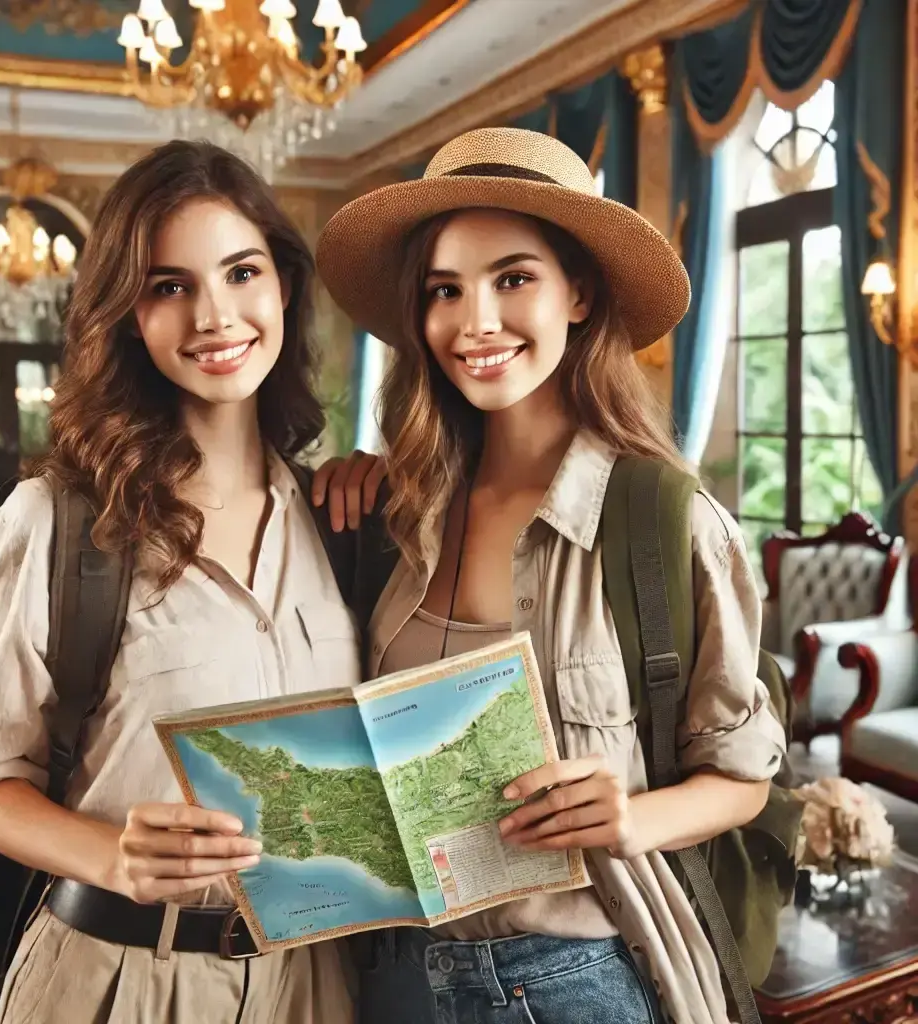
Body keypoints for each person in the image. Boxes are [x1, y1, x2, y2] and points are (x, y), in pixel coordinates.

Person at [313, 128, 788, 1024]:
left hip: (581, 974)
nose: (476, 321)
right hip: (394, 969)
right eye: (444, 290)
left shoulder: (664, 520)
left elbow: (744, 775)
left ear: (579, 294)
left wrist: (631, 818)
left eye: (514, 279)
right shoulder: (389, 511)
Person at [0, 140, 359, 1024]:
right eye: (170, 286)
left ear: (284, 286)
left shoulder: (344, 521)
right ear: (128, 315)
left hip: (316, 984)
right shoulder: (58, 520)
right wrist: (108, 852)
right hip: (118, 980)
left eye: (242, 272)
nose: (215, 314)